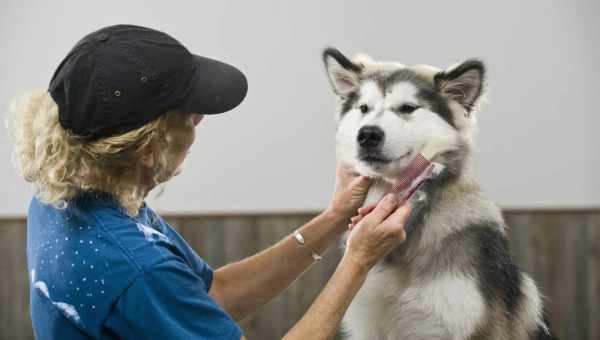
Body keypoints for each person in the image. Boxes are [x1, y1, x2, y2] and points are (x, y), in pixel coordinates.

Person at [10, 24, 411, 340]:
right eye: (188, 115)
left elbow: (213, 295)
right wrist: (357, 261)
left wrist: (336, 217)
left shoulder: (67, 196)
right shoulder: (137, 270)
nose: (200, 119)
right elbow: (158, 285)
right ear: (148, 148)